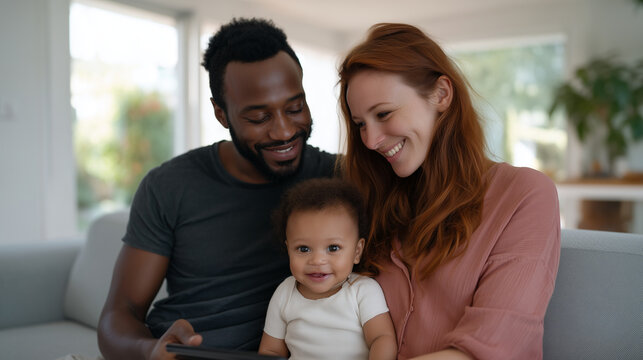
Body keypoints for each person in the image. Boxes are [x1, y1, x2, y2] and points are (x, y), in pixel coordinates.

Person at [97, 18, 336, 360]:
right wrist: (149, 349)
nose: (284, 131)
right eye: (259, 118)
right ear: (221, 114)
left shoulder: (340, 178)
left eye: (295, 107)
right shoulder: (169, 186)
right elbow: (118, 316)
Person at [338, 23, 561, 360]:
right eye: (361, 125)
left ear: (441, 94)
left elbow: (494, 347)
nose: (370, 141)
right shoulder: (369, 201)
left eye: (384, 114)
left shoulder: (524, 195)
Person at [258, 178, 397, 360]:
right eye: (303, 249)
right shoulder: (285, 293)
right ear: (288, 248)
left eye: (333, 248)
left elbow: (382, 338)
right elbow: (271, 351)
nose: (317, 260)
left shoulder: (362, 290)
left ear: (357, 251)